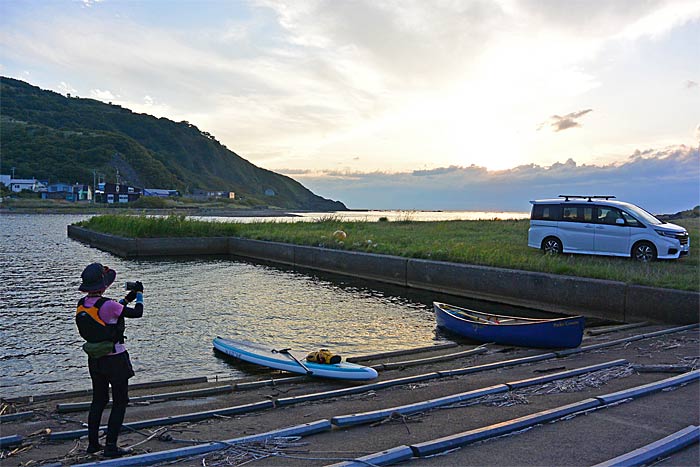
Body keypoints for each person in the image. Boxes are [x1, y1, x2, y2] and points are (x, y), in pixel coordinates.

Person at [76, 263, 143, 458]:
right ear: (103, 285)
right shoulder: (109, 305)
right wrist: (139, 295)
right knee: (120, 401)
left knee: (99, 400)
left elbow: (114, 309)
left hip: (95, 360)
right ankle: (111, 446)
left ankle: (93, 444)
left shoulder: (83, 303)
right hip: (116, 360)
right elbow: (137, 313)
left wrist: (128, 296)